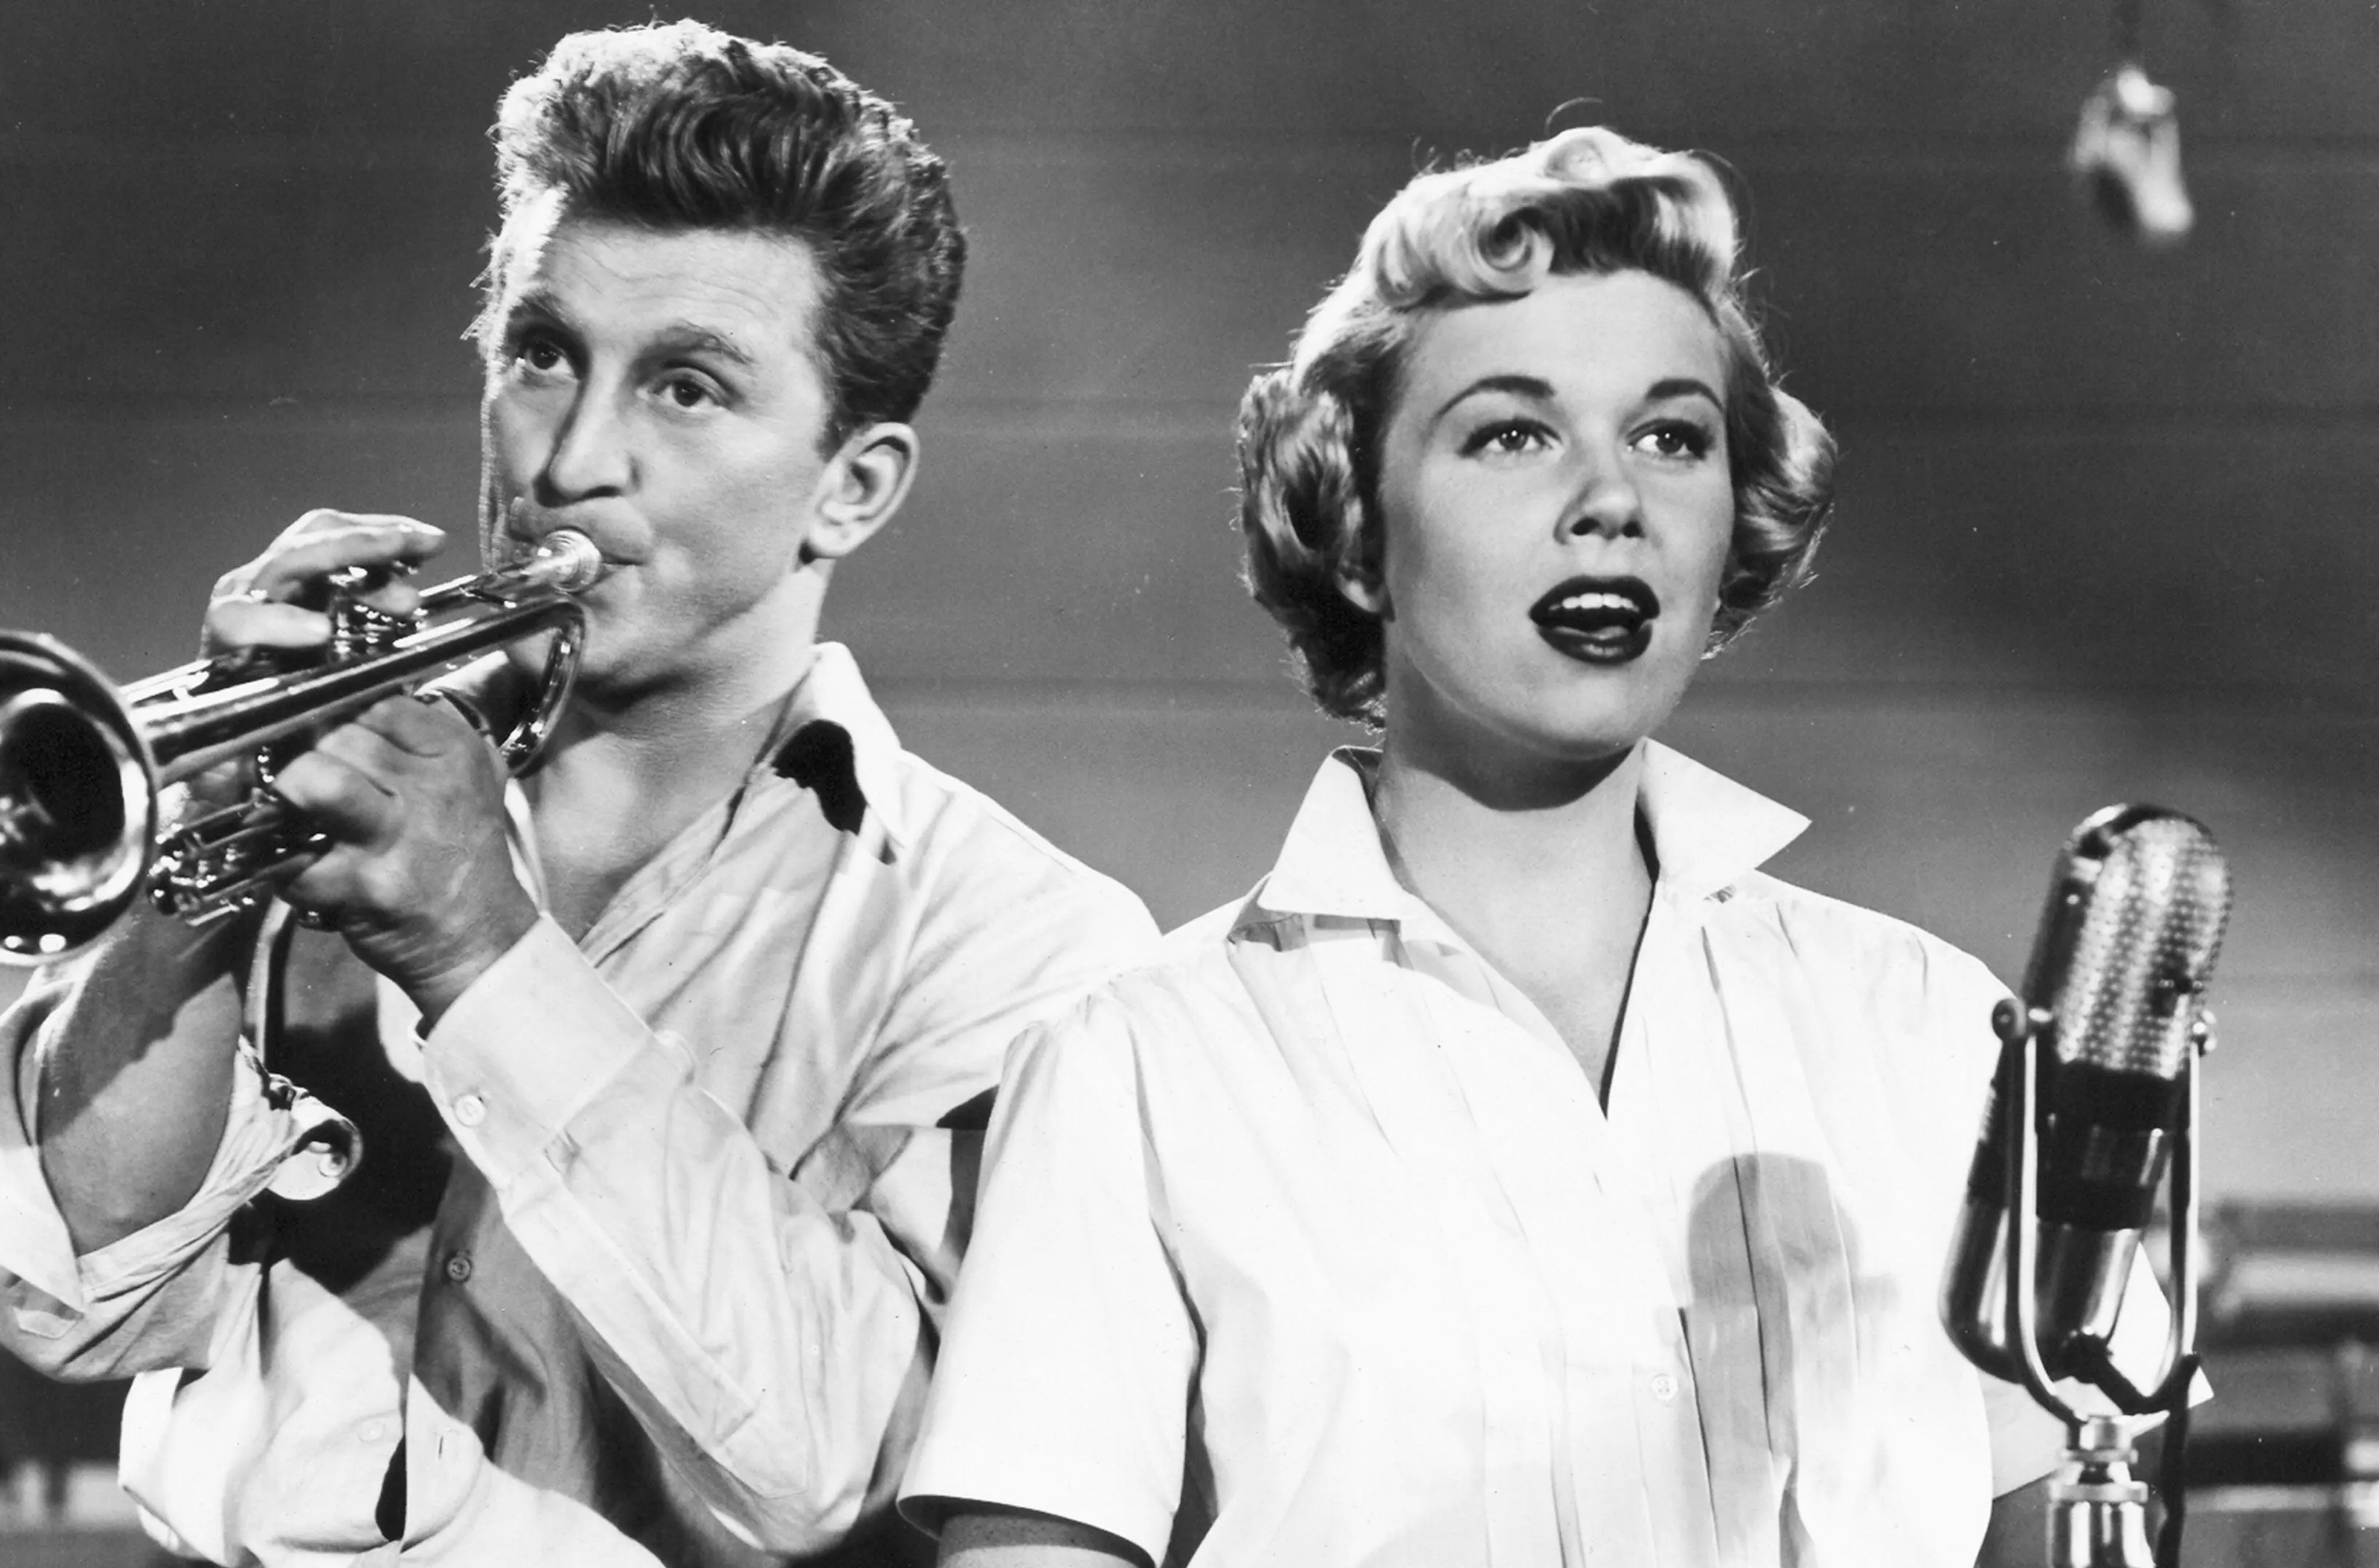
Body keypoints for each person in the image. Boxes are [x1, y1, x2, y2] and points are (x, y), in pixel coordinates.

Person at [0, 23, 1156, 1566]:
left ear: (852, 487)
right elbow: (66, 1299)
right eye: (544, 355)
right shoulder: (330, 791)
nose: (572, 460)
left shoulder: (1021, 946)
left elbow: (844, 1458)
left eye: (686, 388)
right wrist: (189, 879)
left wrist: (482, 952)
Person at [897, 128, 2173, 1567]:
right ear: (1358, 533)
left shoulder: (1930, 1033)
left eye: (1672, 436)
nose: (1612, 499)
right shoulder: (1137, 1069)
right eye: (1513, 432)